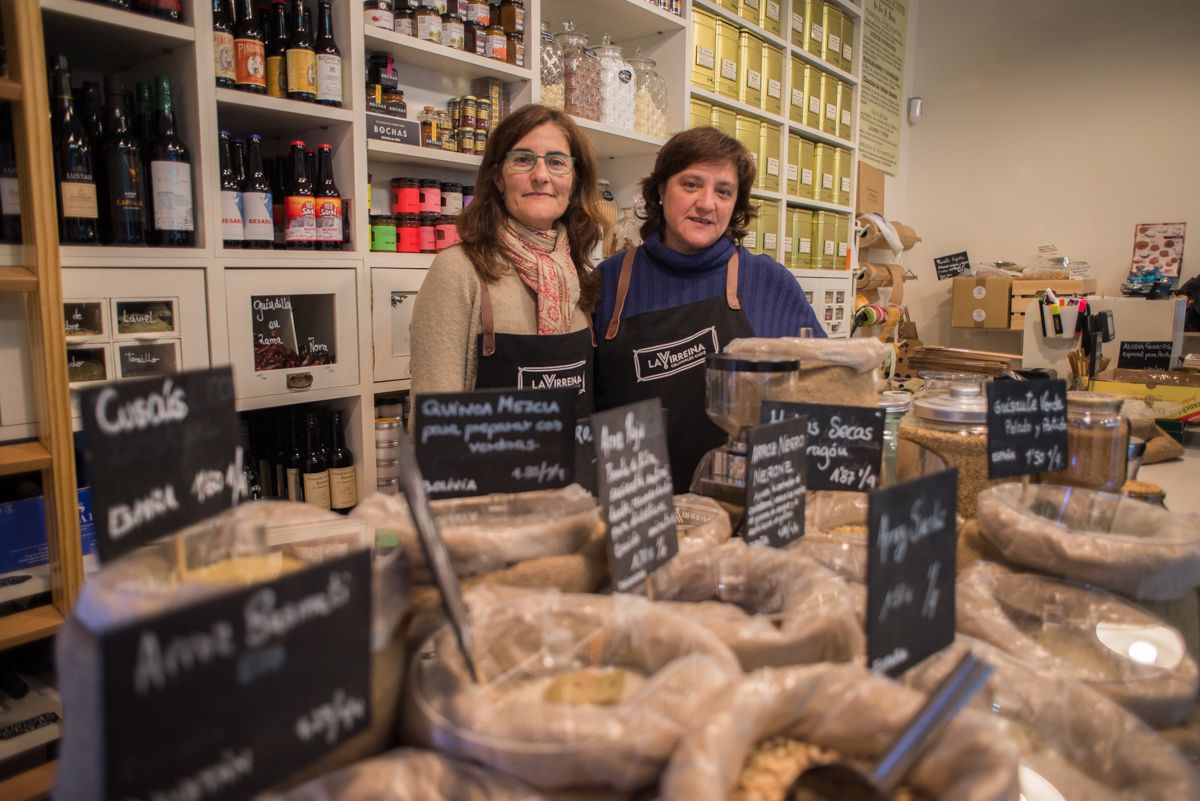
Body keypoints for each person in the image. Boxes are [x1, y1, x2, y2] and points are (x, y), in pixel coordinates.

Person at [593, 126, 824, 492]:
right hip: (635, 513)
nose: (706, 203)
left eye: (723, 191)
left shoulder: (767, 282)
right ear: (659, 190)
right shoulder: (608, 282)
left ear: (735, 205)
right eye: (690, 184)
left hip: (738, 514)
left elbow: (821, 393)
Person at [410, 104, 605, 415]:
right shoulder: (458, 270)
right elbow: (433, 429)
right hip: (485, 464)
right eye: (523, 160)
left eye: (556, 162)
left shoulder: (579, 274)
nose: (541, 175)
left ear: (574, 181)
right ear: (498, 178)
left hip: (577, 462)